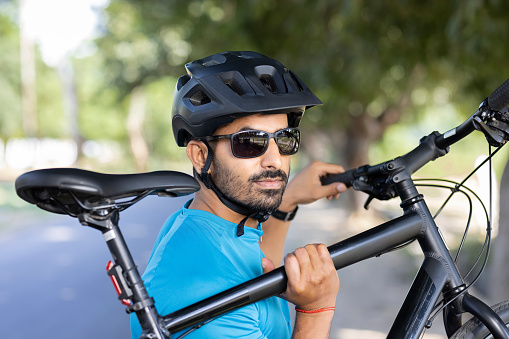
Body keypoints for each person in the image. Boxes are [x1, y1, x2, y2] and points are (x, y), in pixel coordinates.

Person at [130, 51, 347, 338]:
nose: (275, 160)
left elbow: (255, 269)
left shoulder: (207, 226)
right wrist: (316, 309)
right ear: (199, 155)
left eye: (284, 139)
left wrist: (288, 199)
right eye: (249, 142)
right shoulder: (202, 292)